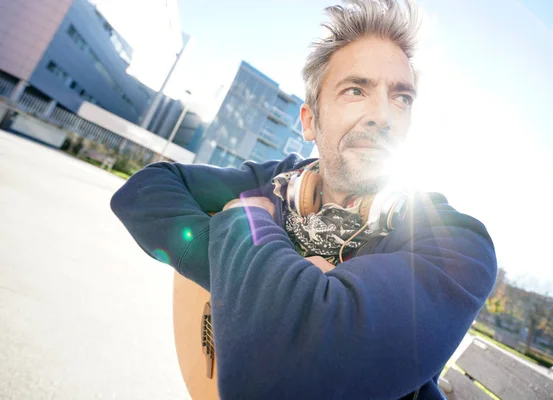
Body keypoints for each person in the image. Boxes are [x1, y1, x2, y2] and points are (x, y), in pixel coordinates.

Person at [110, 0, 497, 398]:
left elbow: (285, 372)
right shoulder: (278, 179)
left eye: (402, 98)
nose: (383, 115)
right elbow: (144, 192)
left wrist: (246, 230)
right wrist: (267, 287)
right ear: (310, 121)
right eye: (355, 90)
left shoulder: (458, 245)